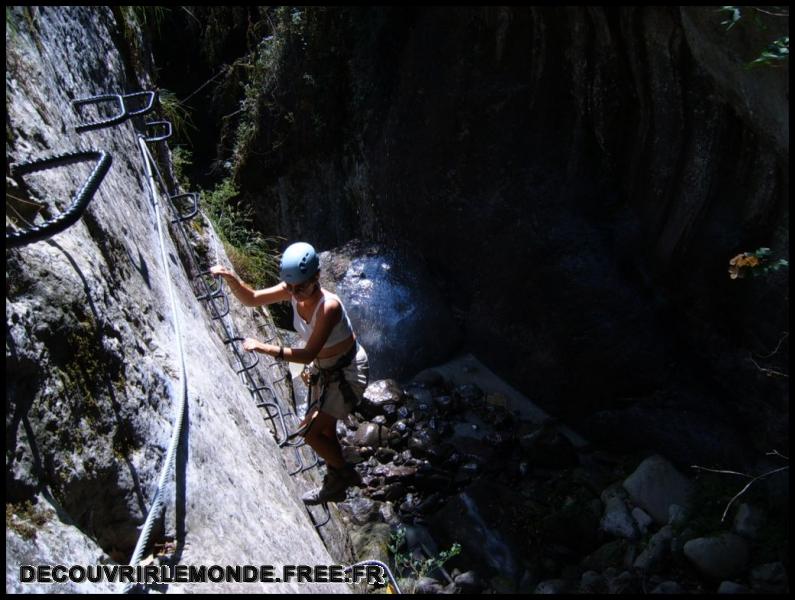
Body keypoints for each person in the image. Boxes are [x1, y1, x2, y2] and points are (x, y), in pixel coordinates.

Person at [210, 242, 369, 505]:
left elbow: (307, 354)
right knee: (324, 431)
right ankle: (337, 480)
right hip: (326, 368)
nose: (295, 294)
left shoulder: (329, 307)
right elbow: (251, 299)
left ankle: (344, 474)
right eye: (291, 287)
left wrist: (263, 348)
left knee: (310, 433)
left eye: (301, 287)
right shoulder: (293, 291)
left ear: (316, 277)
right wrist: (231, 278)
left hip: (347, 372)